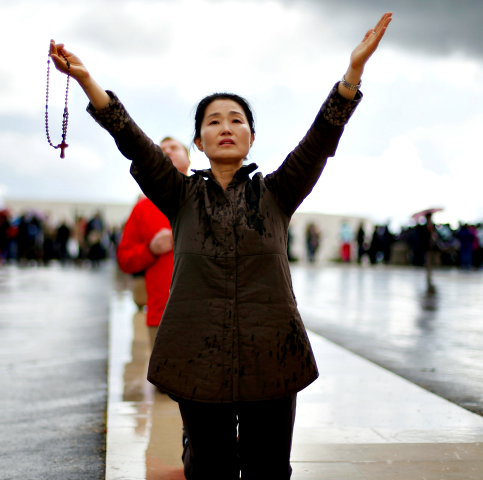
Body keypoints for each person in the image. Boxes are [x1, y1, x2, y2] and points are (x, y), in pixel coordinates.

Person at [49, 11, 391, 479]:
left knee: (269, 468)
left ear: (251, 137)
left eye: (236, 119)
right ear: (200, 141)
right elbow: (131, 140)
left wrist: (352, 74)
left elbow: (320, 139)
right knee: (207, 467)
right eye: (213, 121)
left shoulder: (279, 191)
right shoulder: (180, 194)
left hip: (272, 354)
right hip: (197, 356)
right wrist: (87, 81)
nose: (225, 126)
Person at [118, 136, 191, 351]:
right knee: (164, 381)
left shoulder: (208, 197)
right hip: (162, 315)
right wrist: (150, 249)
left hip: (209, 314)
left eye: (174, 147)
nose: (167, 150)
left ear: (188, 159)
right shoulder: (143, 208)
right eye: (161, 149)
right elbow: (124, 259)